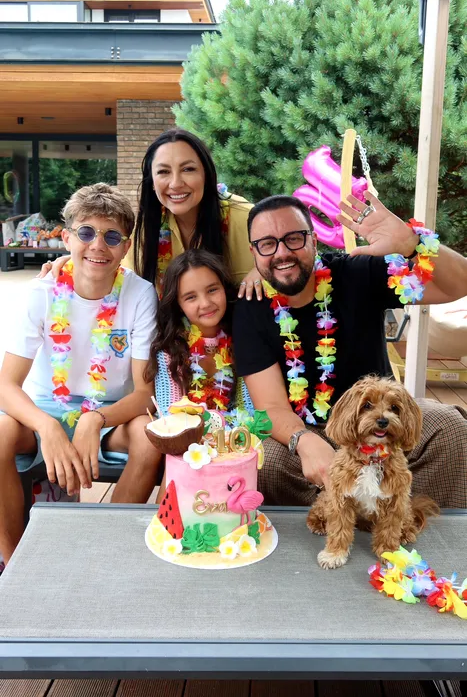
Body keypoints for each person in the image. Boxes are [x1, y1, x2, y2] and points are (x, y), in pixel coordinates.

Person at [232, 192, 467, 508]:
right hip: (310, 428)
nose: (282, 252)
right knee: (266, 462)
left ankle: (414, 525)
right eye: (267, 244)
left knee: (450, 429)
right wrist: (304, 441)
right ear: (253, 251)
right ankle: (324, 527)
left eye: (294, 238)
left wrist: (412, 244)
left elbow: (459, 284)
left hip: (383, 420)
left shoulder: (359, 273)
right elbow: (271, 406)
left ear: (314, 240)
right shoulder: (251, 308)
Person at [0, 183, 161, 566]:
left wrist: (94, 418)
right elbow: (6, 385)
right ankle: (14, 564)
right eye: (86, 233)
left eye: (112, 236)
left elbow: (143, 394)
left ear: (125, 246)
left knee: (148, 436)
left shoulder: (140, 295)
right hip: (44, 409)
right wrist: (47, 427)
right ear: (68, 238)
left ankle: (105, 552)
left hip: (111, 415)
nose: (98, 246)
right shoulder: (42, 292)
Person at [39, 128, 264, 300]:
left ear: (207, 174)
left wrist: (264, 271)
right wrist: (76, 263)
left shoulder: (247, 218)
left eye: (188, 169)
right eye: (164, 172)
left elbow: (285, 259)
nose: (175, 183)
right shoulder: (146, 231)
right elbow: (116, 271)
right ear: (152, 182)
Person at [145, 247, 253, 500]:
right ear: (178, 304)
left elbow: (249, 407)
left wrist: (225, 435)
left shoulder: (244, 339)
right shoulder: (169, 350)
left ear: (225, 288)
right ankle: (166, 520)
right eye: (191, 297)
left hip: (235, 441)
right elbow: (171, 415)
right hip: (186, 444)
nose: (205, 303)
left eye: (212, 290)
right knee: (180, 462)